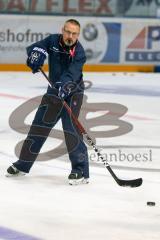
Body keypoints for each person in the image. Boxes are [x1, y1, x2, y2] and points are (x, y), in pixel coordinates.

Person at [6, 19, 89, 185]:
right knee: (39, 127)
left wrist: (63, 87)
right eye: (67, 32)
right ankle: (23, 165)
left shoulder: (79, 53)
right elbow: (37, 48)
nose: (70, 36)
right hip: (53, 93)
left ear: (78, 35)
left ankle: (80, 171)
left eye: (74, 33)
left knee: (71, 130)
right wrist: (35, 57)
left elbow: (71, 74)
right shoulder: (52, 41)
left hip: (72, 94)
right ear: (62, 31)